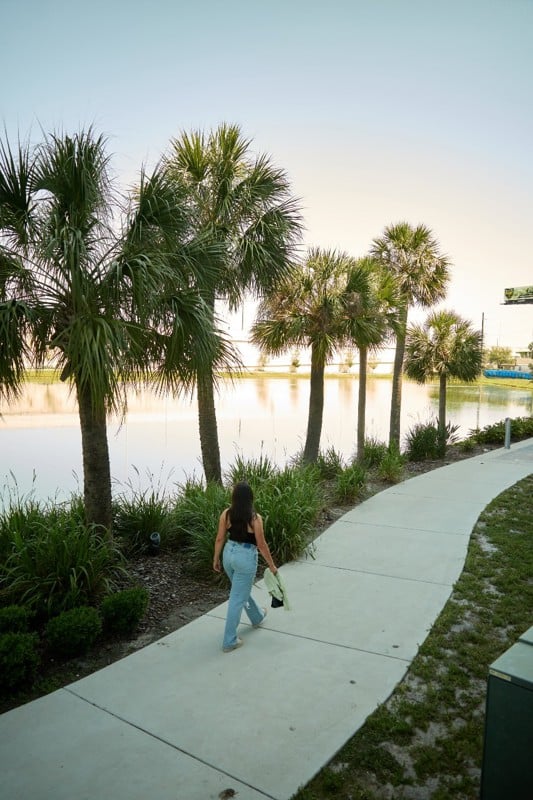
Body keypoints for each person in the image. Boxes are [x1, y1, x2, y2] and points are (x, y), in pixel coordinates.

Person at [213, 481, 278, 652]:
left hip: (228, 553)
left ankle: (256, 616)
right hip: (245, 558)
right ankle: (229, 640)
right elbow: (262, 545)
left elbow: (220, 538)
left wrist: (216, 558)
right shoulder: (255, 519)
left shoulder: (226, 514)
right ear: (250, 498)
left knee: (239, 590)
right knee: (237, 598)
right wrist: (272, 566)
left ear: (234, 497)